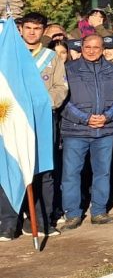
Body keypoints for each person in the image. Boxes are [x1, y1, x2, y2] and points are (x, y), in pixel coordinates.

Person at [1, 14, 68, 238]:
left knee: (42, 170)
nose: (31, 32)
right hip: (12, 120)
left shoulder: (51, 57)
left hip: (41, 120)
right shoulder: (8, 55)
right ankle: (9, 222)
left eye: (37, 28)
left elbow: (60, 87)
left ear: (44, 31)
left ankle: (39, 221)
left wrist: (41, 104)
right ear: (20, 29)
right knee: (9, 167)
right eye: (27, 27)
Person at [60, 34, 113, 230]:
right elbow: (62, 100)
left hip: (104, 130)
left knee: (103, 171)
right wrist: (85, 118)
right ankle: (72, 214)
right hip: (76, 130)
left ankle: (99, 211)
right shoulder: (69, 70)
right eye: (87, 47)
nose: (91, 51)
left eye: (96, 47)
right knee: (71, 173)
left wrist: (108, 116)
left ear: (102, 49)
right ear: (82, 47)